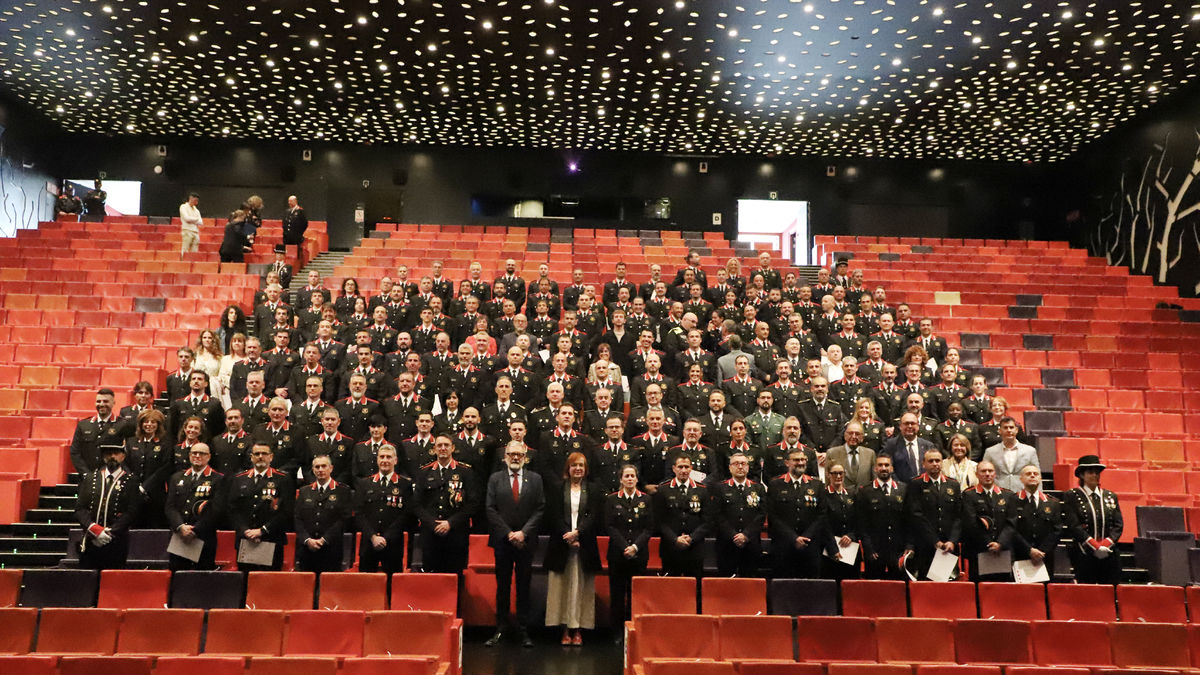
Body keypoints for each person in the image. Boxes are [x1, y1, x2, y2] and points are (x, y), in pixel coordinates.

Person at [485, 442, 545, 648]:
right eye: (511, 454)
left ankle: (523, 629)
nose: (515, 457)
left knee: (523, 586)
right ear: (505, 457)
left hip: (525, 542)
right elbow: (490, 509)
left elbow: (540, 508)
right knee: (502, 586)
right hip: (503, 541)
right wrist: (509, 533)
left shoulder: (535, 479)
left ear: (526, 456)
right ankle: (500, 628)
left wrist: (523, 533)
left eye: (519, 454)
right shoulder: (495, 479)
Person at [544, 452, 600, 645]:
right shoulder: (558, 488)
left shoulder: (592, 489)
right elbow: (553, 515)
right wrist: (567, 535)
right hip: (561, 544)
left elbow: (594, 515)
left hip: (584, 546)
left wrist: (578, 534)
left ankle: (578, 629)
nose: (578, 469)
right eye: (574, 465)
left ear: (586, 469)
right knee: (562, 588)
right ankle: (564, 628)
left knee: (581, 589)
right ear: (568, 468)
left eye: (581, 466)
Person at [414, 434, 477, 574]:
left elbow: (472, 504)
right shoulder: (424, 472)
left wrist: (450, 523)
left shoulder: (465, 472)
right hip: (431, 533)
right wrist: (432, 523)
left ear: (453, 448)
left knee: (455, 575)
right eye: (439, 445)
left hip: (456, 533)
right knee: (431, 577)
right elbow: (417, 504)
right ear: (434, 449)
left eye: (446, 445)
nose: (443, 448)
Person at [74, 442, 143, 569]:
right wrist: (95, 530)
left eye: (116, 453)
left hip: (116, 540)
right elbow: (80, 508)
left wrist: (110, 532)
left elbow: (132, 511)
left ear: (123, 456)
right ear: (103, 457)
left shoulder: (131, 481)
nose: (112, 456)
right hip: (91, 538)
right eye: (108, 453)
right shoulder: (90, 478)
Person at [228, 442, 294, 571]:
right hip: (245, 540)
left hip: (271, 539)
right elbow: (232, 510)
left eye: (264, 453)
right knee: (246, 583)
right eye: (257, 454)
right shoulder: (239, 479)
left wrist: (262, 531)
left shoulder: (283, 479)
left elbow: (286, 511)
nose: (260, 456)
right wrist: (245, 530)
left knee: (268, 585)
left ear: (271, 457)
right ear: (251, 457)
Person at [767, 447, 828, 578]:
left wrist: (806, 536)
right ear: (787, 463)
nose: (800, 462)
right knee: (783, 587)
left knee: (810, 588)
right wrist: (793, 538)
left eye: (803, 459)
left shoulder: (816, 485)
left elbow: (821, 514)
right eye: (796, 460)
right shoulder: (775, 484)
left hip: (810, 545)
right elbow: (773, 516)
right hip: (784, 546)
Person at [1063, 454, 1124, 584]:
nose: (1095, 475)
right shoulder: (1072, 496)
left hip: (1109, 553)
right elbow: (1074, 525)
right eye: (1091, 472)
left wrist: (1105, 545)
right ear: (1082, 475)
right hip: (1084, 553)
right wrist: (1095, 546)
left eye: (1097, 473)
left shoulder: (1110, 496)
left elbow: (1118, 525)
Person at [164, 442, 224, 570]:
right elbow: (170, 506)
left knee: (201, 580)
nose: (197, 456)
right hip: (179, 536)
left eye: (201, 453)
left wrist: (195, 530)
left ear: (208, 457)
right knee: (177, 577)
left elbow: (216, 510)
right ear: (189, 455)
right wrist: (181, 527)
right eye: (194, 453)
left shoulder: (218, 479)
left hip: (203, 537)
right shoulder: (177, 477)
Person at [904, 449, 962, 579]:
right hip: (925, 544)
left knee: (948, 587)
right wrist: (935, 541)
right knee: (926, 586)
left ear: (942, 463)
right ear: (923, 464)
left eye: (938, 461)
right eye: (931, 461)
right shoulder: (916, 484)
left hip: (948, 546)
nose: (935, 464)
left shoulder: (953, 484)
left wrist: (952, 541)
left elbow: (958, 516)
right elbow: (916, 515)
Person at [355, 444, 412, 573]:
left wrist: (386, 537)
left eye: (388, 457)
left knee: (392, 586)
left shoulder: (404, 484)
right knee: (367, 587)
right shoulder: (364, 483)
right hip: (369, 543)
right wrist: (373, 536)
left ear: (395, 460)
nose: (385, 460)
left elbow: (406, 514)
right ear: (377, 460)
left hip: (393, 544)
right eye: (382, 457)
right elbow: (359, 513)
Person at [1001, 464, 1063, 577]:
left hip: (1044, 557)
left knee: (1044, 592)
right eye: (1028, 474)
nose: (1032, 476)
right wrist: (1029, 550)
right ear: (1021, 479)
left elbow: (1057, 530)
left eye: (1036, 474)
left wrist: (1042, 551)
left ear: (1040, 478)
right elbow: (1011, 529)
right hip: (1021, 555)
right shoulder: (1013, 500)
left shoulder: (1053, 502)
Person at [712, 451, 768, 577]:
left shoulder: (758, 488)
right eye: (736, 464)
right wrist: (734, 535)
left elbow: (761, 514)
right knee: (726, 584)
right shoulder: (720, 488)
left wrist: (746, 535)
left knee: (749, 584)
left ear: (748, 467)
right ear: (730, 467)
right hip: (726, 543)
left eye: (743, 463)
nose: (740, 467)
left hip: (751, 543)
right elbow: (717, 515)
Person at [294, 453, 352, 573]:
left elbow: (344, 519)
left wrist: (324, 539)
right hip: (307, 549)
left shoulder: (342, 490)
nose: (320, 469)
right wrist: (307, 540)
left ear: (331, 468)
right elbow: (297, 518)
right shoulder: (305, 491)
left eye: (324, 466)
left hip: (331, 549)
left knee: (330, 589)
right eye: (317, 467)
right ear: (313, 470)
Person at [655, 454, 710, 578]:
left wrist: (692, 538)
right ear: (674, 468)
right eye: (680, 467)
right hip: (670, 547)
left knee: (696, 588)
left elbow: (707, 521)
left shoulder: (702, 490)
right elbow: (659, 521)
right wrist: (675, 539)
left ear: (691, 468)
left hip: (694, 548)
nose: (683, 470)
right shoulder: (663, 489)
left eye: (686, 467)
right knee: (671, 589)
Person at [961, 460, 1012, 581]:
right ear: (977, 474)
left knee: (1001, 591)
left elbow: (1011, 523)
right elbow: (971, 524)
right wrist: (989, 544)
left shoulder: (1008, 495)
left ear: (995, 474)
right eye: (983, 471)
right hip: (979, 550)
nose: (987, 474)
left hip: (1002, 550)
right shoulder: (969, 495)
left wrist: (1000, 543)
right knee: (979, 590)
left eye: (990, 471)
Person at [858, 455, 907, 579]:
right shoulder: (865, 491)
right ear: (875, 468)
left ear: (892, 468)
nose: (883, 468)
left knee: (899, 589)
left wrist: (909, 546)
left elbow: (909, 522)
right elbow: (862, 524)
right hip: (875, 550)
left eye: (886, 465)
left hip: (898, 550)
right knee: (874, 590)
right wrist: (868, 548)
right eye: (880, 465)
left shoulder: (903, 489)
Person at [70, 388, 124, 475]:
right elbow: (75, 452)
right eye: (98, 401)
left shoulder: (122, 424)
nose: (101, 404)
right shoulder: (83, 425)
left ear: (113, 403)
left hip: (111, 476)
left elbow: (126, 453)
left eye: (106, 401)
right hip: (87, 477)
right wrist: (86, 474)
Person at [981, 416, 1039, 492]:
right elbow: (983, 474)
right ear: (999, 431)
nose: (1009, 430)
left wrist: (1038, 496)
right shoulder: (990, 451)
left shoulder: (1030, 451)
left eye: (1011, 427)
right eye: (1005, 428)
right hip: (998, 494)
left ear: (1016, 430)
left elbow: (1037, 475)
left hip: (1023, 493)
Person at [881, 413, 937, 483]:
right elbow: (889, 468)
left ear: (918, 426)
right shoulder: (891, 445)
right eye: (906, 423)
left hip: (924, 487)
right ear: (900, 426)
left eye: (912, 423)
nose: (910, 426)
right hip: (901, 488)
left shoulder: (928, 445)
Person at [826, 421, 876, 491]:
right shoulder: (832, 453)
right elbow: (827, 482)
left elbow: (874, 481)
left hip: (864, 498)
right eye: (850, 433)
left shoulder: (870, 454)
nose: (853, 436)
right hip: (841, 498)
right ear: (845, 435)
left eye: (857, 434)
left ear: (862, 437)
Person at [179, 192, 202, 256]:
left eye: (197, 201)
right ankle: (183, 263)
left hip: (195, 232)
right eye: (195, 200)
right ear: (191, 199)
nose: (197, 202)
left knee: (194, 251)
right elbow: (187, 219)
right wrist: (196, 219)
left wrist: (192, 220)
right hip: (187, 230)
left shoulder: (196, 210)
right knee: (185, 249)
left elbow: (200, 222)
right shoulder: (183, 207)